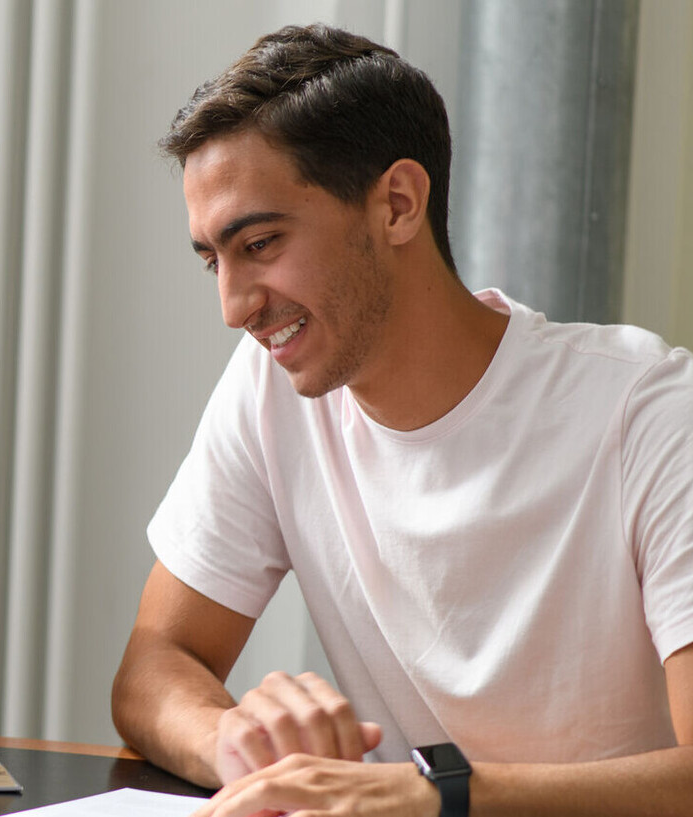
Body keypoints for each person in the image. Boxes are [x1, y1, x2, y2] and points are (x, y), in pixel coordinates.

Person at [109, 23, 693, 817]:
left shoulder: (652, 412)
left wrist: (435, 796)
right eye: (216, 259)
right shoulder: (269, 387)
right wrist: (238, 739)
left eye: (262, 243)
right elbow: (155, 663)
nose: (234, 306)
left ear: (397, 203)